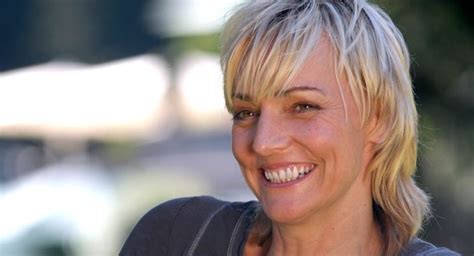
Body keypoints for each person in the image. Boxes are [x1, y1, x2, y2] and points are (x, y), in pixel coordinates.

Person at [120, 0, 460, 255]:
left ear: (379, 119)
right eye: (245, 112)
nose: (264, 142)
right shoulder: (177, 238)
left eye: (303, 107)